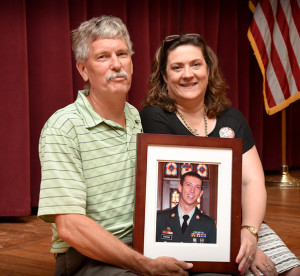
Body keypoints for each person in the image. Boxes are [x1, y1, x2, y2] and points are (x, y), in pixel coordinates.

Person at [37, 16, 194, 276]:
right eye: (102, 57)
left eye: (122, 54)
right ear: (83, 70)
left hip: (144, 245)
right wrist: (146, 265)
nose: (116, 64)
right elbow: (70, 227)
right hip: (88, 257)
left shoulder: (136, 117)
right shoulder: (63, 128)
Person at [140, 33, 300, 276]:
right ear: (164, 76)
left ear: (208, 68)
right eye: (177, 67)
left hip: (243, 220)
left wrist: (249, 232)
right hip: (191, 229)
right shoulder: (154, 117)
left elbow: (253, 181)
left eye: (196, 64)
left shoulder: (232, 117)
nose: (188, 74)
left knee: (292, 271)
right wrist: (238, 246)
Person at [156, 171, 216, 244]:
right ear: (180, 188)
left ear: (200, 193)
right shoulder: (159, 219)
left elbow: (213, 254)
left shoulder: (209, 224)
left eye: (197, 187)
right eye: (188, 185)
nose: (192, 190)